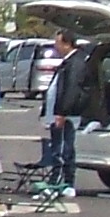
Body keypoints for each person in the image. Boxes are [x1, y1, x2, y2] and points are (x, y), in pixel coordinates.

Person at [39, 30, 84, 186]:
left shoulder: (75, 63)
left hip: (65, 116)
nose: (55, 46)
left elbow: (72, 88)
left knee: (64, 149)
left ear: (66, 44)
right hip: (57, 114)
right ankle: (56, 180)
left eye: (57, 43)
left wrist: (62, 112)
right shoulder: (67, 62)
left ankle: (66, 182)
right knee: (57, 149)